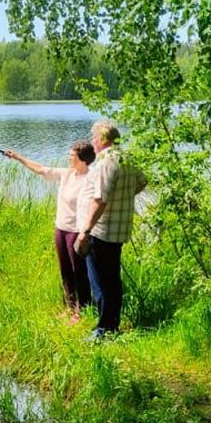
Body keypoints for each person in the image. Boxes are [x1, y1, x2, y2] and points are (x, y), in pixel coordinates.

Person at [1, 141, 96, 323]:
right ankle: (69, 307)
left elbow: (98, 204)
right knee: (65, 270)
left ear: (83, 159)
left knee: (79, 272)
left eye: (72, 155)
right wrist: (18, 157)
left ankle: (81, 311)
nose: (69, 157)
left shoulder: (90, 179)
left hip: (77, 231)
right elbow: (41, 170)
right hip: (61, 228)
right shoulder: (67, 173)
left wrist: (87, 231)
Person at [76, 120, 147, 339]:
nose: (92, 141)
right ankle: (112, 324)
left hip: (102, 231)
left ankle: (104, 329)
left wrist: (85, 231)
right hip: (120, 230)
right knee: (112, 279)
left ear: (103, 139)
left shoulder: (107, 162)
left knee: (100, 282)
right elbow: (143, 182)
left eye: (94, 137)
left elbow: (100, 200)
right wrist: (123, 198)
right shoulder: (128, 158)